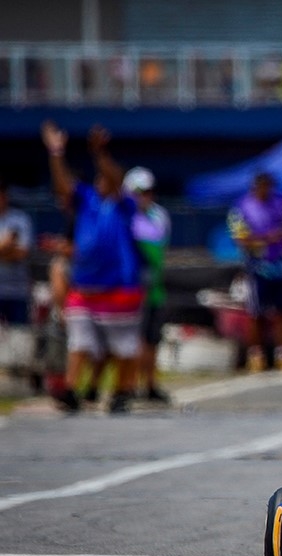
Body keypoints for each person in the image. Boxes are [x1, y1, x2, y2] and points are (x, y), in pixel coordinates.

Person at [41, 121, 143, 414]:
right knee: (80, 341)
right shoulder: (87, 201)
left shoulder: (124, 205)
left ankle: (122, 391)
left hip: (119, 286)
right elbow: (63, 185)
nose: (102, 180)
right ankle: (72, 389)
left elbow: (114, 178)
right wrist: (56, 153)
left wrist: (99, 153)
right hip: (85, 286)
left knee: (123, 347)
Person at [227, 172, 282, 372]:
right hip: (257, 267)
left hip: (281, 267)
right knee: (255, 313)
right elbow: (239, 239)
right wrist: (265, 239)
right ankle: (256, 355)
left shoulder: (281, 203)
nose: (267, 191)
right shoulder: (241, 207)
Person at [124, 167, 171, 403]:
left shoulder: (159, 216)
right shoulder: (125, 217)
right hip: (131, 288)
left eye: (148, 191)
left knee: (152, 339)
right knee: (135, 340)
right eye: (140, 192)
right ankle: (130, 384)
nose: (145, 196)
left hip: (154, 287)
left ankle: (150, 384)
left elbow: (158, 247)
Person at [0, 178, 33, 326]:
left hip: (17, 291)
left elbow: (22, 253)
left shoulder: (20, 219)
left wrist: (4, 249)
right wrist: (6, 244)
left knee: (19, 341)